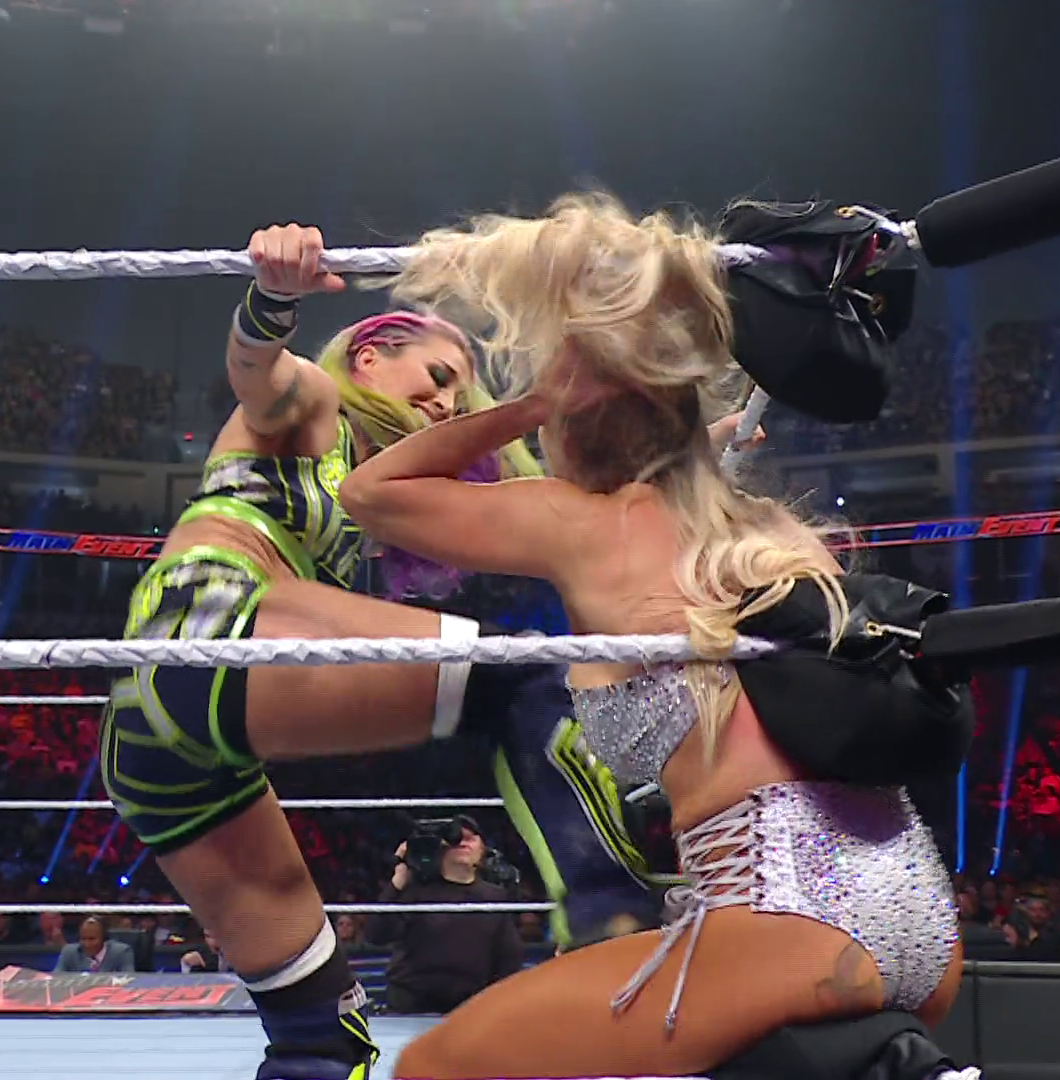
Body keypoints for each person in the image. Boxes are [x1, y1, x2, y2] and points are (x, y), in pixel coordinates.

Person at [99, 223, 750, 1080]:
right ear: (369, 356)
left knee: (320, 1038)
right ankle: (607, 914)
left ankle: (601, 917)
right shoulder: (314, 403)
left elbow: (560, 497)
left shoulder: (381, 477)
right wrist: (274, 297)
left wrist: (691, 450)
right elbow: (255, 369)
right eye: (437, 377)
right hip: (205, 629)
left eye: (458, 394)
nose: (447, 403)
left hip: (158, 747)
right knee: (520, 677)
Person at [338, 193, 967, 1078]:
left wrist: (529, 403)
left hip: (782, 917)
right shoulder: (773, 534)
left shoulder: (584, 525)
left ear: (569, 428)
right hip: (921, 920)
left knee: (435, 1067)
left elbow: (370, 493)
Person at [365, 817, 525, 1014]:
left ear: (482, 849)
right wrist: (398, 880)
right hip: (412, 1003)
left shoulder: (495, 897)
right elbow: (377, 935)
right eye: (455, 839)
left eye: (470, 838)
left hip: (470, 1006)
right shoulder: (415, 891)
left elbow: (509, 959)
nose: (463, 843)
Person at [54, 916, 136, 973]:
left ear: (103, 938)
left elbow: (129, 979)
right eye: (83, 939)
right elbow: (55, 979)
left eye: (92, 939)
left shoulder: (122, 952)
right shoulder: (69, 952)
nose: (87, 944)